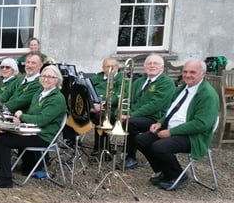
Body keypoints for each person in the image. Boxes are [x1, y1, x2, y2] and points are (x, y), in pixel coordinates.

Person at [135, 59, 218, 190]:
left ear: (203, 74)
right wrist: (160, 122)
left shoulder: (207, 95)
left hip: (193, 136)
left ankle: (178, 175)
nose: (187, 75)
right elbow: (170, 110)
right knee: (141, 140)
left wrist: (170, 132)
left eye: (192, 72)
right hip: (171, 128)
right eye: (185, 72)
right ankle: (164, 170)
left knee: (159, 147)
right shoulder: (182, 88)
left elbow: (201, 124)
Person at [0, 65, 67, 188]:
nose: (46, 79)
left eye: (50, 77)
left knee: (4, 141)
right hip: (31, 130)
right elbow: (32, 114)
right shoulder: (39, 93)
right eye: (43, 76)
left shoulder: (57, 99)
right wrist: (19, 120)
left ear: (57, 80)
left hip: (43, 136)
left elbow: (42, 120)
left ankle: (5, 179)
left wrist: (22, 117)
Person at [122, 54, 176, 169]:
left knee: (130, 123)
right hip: (136, 115)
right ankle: (103, 150)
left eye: (155, 63)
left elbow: (154, 105)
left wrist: (130, 115)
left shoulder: (166, 83)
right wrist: (120, 112)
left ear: (162, 68)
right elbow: (127, 98)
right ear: (144, 67)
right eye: (149, 63)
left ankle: (130, 156)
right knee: (107, 116)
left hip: (156, 118)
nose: (152, 66)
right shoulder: (139, 81)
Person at [89, 57, 121, 155]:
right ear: (103, 68)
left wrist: (102, 104)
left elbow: (117, 98)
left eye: (113, 66)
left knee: (101, 116)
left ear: (117, 67)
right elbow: (87, 90)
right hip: (94, 108)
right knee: (73, 111)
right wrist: (91, 105)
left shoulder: (122, 79)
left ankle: (101, 149)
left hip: (114, 109)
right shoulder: (96, 78)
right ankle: (72, 143)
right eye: (107, 66)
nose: (110, 68)